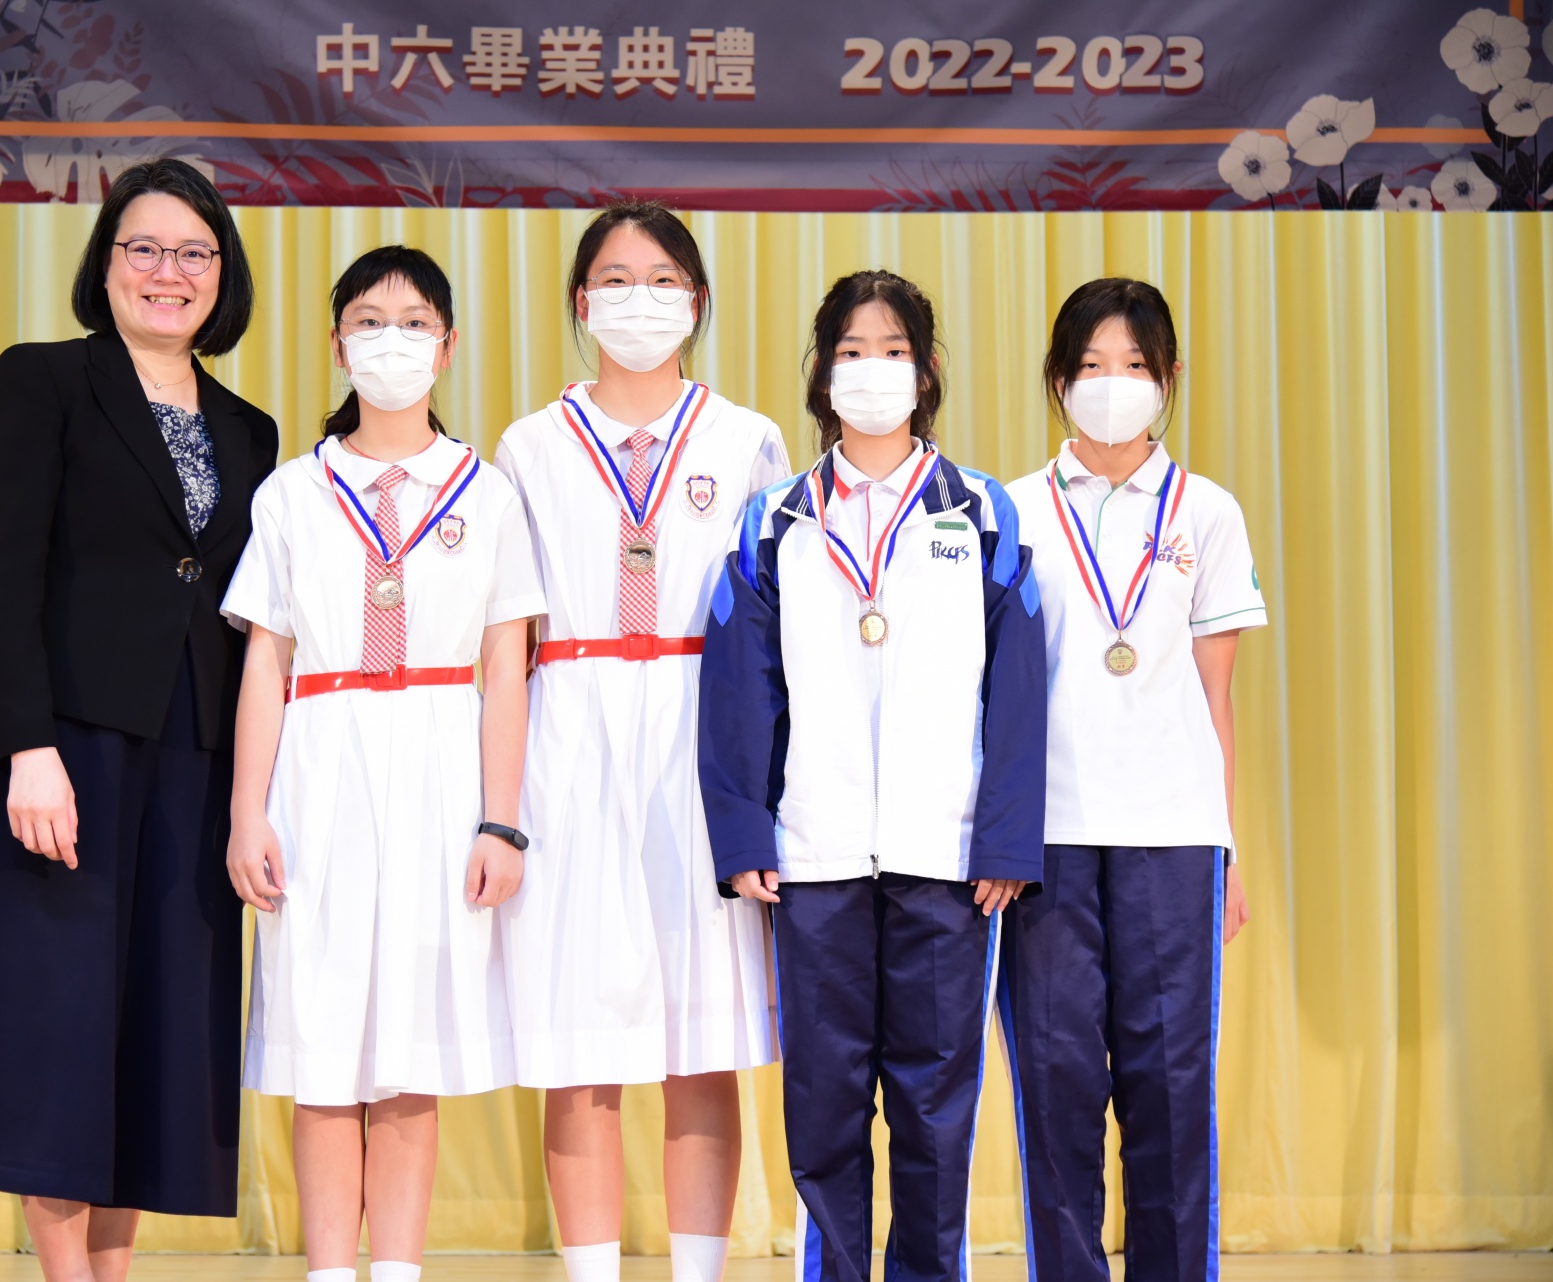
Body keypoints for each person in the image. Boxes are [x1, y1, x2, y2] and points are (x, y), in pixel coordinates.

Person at [0, 159, 278, 1280]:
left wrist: (253, 795)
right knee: (59, 1023)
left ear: (222, 274)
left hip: (195, 756)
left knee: (157, 1031)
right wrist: (24, 747)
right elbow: (0, 575)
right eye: (145, 248)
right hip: (66, 746)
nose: (169, 273)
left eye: (194, 253)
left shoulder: (252, 430)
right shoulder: (44, 380)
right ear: (108, 263)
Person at [697, 269, 1047, 1282]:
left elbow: (1020, 687)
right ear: (822, 372)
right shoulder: (774, 520)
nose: (872, 369)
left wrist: (1005, 838)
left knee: (936, 1105)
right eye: (852, 351)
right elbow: (739, 688)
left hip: (947, 858)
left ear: (926, 371)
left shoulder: (981, 512)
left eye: (893, 350)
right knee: (825, 1102)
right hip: (815, 858)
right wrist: (745, 834)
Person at [221, 245, 543, 1282]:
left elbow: (506, 668)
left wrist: (501, 820)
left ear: (446, 348)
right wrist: (247, 813)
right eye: (369, 321)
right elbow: (265, 662)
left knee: (410, 1050)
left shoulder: (488, 494)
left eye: (413, 324)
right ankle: (329, 1270)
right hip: (321, 766)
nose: (390, 341)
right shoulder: (292, 492)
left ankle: (398, 1270)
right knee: (323, 1044)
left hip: (442, 769)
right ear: (336, 344)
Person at [493, 202, 790, 1282]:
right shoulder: (529, 446)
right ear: (582, 302)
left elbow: (776, 629)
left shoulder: (746, 438)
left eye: (663, 279)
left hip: (704, 735)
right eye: (615, 279)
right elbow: (504, 635)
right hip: (569, 737)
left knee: (702, 1040)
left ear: (697, 302)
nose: (639, 299)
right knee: (581, 1045)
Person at [1000, 277, 1264, 1282]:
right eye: (1091, 366)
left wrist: (1228, 849)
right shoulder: (1011, 511)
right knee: (1056, 1086)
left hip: (1173, 835)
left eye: (1136, 366)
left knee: (1171, 1087)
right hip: (1047, 839)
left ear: (1169, 377)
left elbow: (1215, 698)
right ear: (1058, 380)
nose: (1113, 384)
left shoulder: (1210, 512)